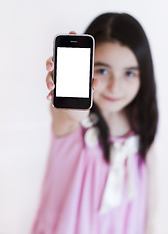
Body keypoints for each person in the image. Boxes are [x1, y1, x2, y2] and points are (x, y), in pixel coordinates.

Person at [32, 13, 158, 234]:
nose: (114, 86)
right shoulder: (73, 127)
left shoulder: (141, 123)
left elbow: (152, 191)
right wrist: (67, 94)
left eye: (129, 73)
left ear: (144, 76)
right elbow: (70, 115)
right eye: (102, 70)